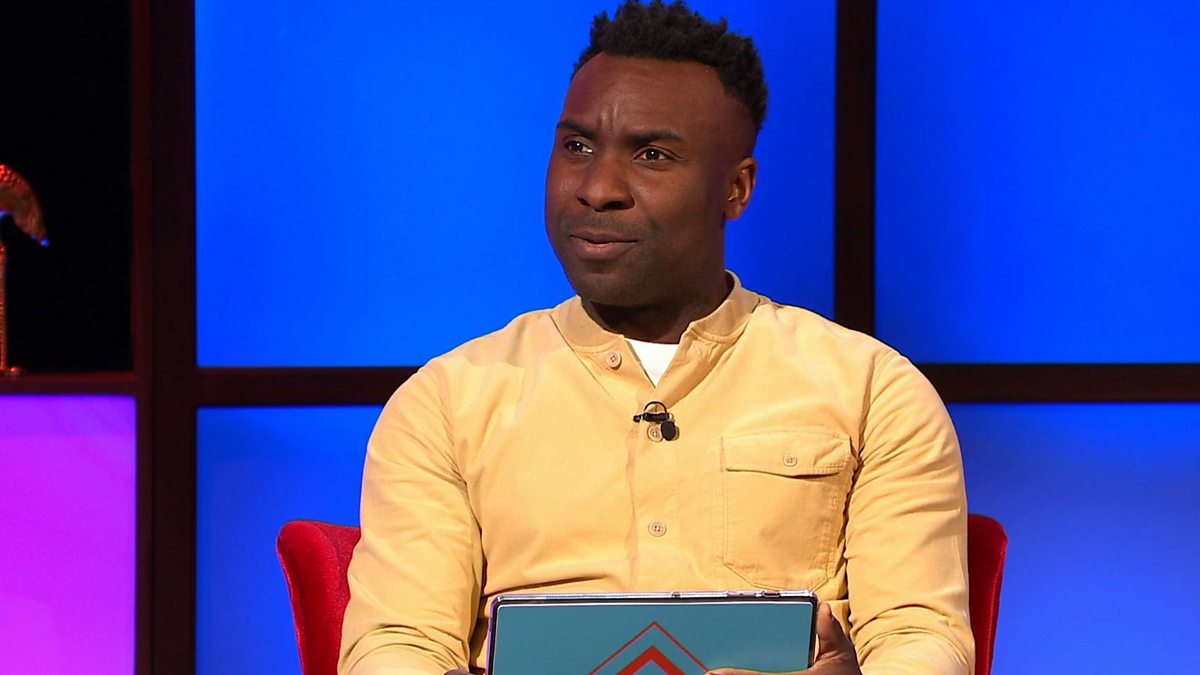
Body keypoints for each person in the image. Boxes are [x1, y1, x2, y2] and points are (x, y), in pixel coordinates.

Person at [339, 1, 974, 673]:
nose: (598, 188)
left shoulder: (874, 392)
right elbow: (396, 644)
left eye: (652, 154)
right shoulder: (448, 402)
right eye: (577, 146)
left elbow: (920, 635)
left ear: (736, 188)